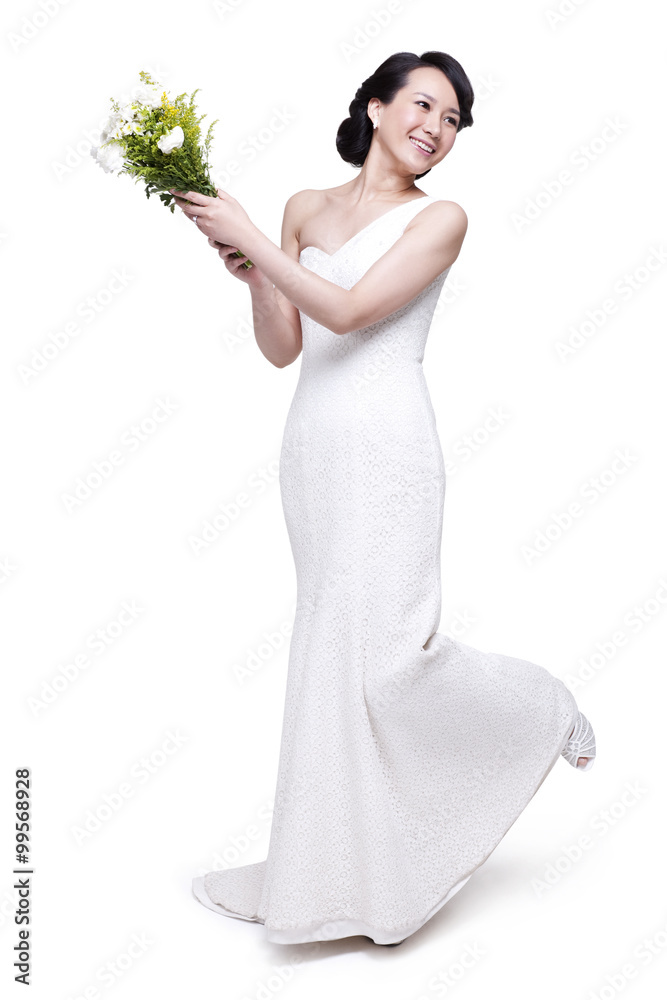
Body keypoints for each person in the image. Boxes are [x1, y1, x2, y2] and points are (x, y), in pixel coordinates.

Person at [170, 49, 596, 948]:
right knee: (333, 657)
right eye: (424, 106)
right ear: (374, 104)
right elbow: (285, 346)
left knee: (391, 659)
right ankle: (333, 879)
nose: (436, 130)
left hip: (390, 449)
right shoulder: (303, 209)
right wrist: (252, 271)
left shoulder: (441, 217)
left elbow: (353, 313)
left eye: (451, 121)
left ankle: (538, 705)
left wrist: (251, 240)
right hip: (312, 451)